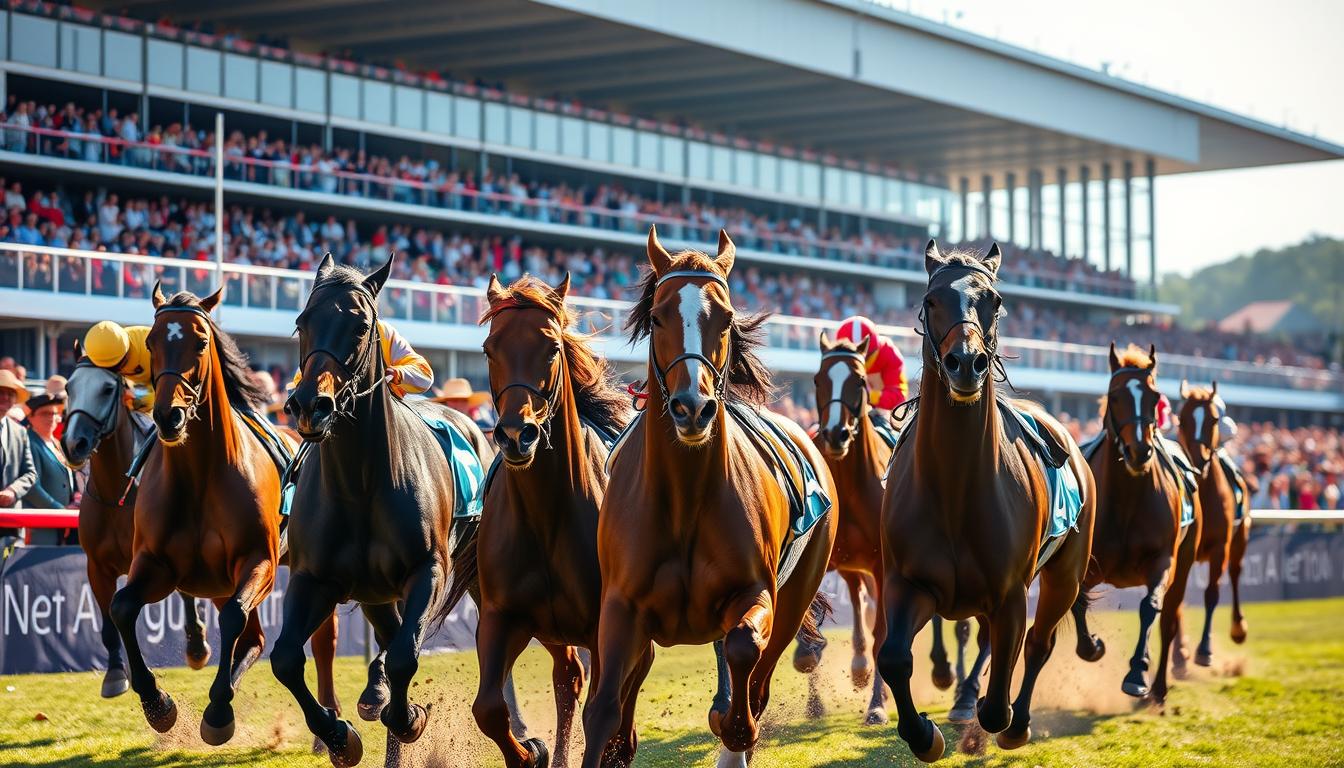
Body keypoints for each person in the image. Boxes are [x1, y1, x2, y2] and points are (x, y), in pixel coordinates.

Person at [23, 393, 78, 545]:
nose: (51, 418)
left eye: (54, 413)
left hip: (62, 522)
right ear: (30, 417)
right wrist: (60, 511)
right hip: (41, 524)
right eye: (44, 413)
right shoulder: (28, 442)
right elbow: (32, 487)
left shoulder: (57, 443)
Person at [834, 315, 909, 421]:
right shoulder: (835, 358)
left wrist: (868, 395)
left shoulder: (889, 354)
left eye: (864, 355)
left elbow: (899, 399)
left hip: (882, 416)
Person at [82, 320, 154, 410]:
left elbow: (168, 387)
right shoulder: (98, 353)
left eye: (116, 365)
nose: (113, 370)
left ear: (127, 350)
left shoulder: (152, 345)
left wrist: (138, 398)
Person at [0, 369, 37, 541]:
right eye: (1, 392)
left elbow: (30, 473)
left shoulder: (20, 432)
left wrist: (13, 491)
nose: (6, 397)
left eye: (10, 393)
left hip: (11, 523)